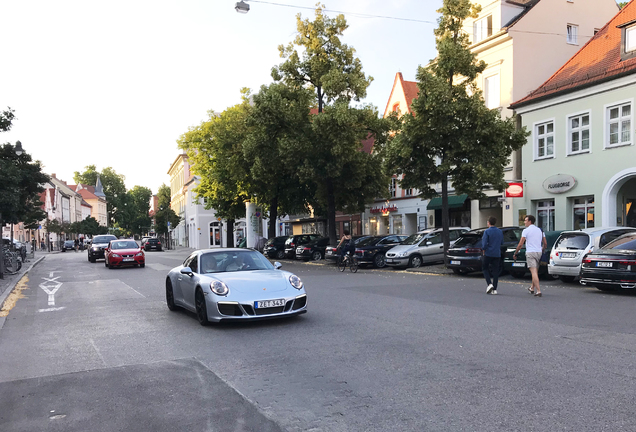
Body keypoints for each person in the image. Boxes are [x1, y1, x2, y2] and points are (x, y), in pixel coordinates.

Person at [513, 215, 547, 297]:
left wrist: (516, 252)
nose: (524, 222)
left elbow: (521, 244)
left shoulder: (526, 231)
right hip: (538, 252)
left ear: (530, 221)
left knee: (533, 271)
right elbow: (545, 243)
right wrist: (542, 250)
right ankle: (532, 288)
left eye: (525, 220)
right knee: (535, 271)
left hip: (530, 252)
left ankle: (538, 291)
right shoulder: (540, 230)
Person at [482, 216, 504, 295]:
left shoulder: (487, 231)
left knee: (485, 268)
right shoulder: (499, 231)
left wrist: (484, 250)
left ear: (488, 223)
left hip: (488, 253)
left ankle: (489, 284)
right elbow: (502, 242)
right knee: (495, 271)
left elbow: (484, 243)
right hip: (497, 253)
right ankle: (495, 289)